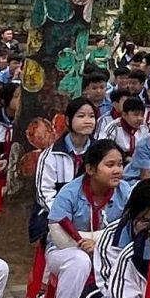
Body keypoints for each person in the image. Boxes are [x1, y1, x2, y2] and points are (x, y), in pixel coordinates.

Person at [43, 140, 128, 298]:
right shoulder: (70, 192)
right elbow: (57, 230)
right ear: (90, 169)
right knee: (78, 260)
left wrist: (99, 242)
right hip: (65, 251)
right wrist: (89, 244)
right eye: (110, 165)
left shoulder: (124, 191)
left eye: (120, 164)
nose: (117, 170)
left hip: (107, 253)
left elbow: (129, 229)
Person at [32, 97, 100, 242]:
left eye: (92, 116)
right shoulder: (50, 155)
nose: (88, 120)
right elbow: (44, 194)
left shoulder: (101, 152)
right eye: (81, 116)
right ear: (68, 121)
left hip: (93, 213)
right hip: (57, 215)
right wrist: (65, 215)